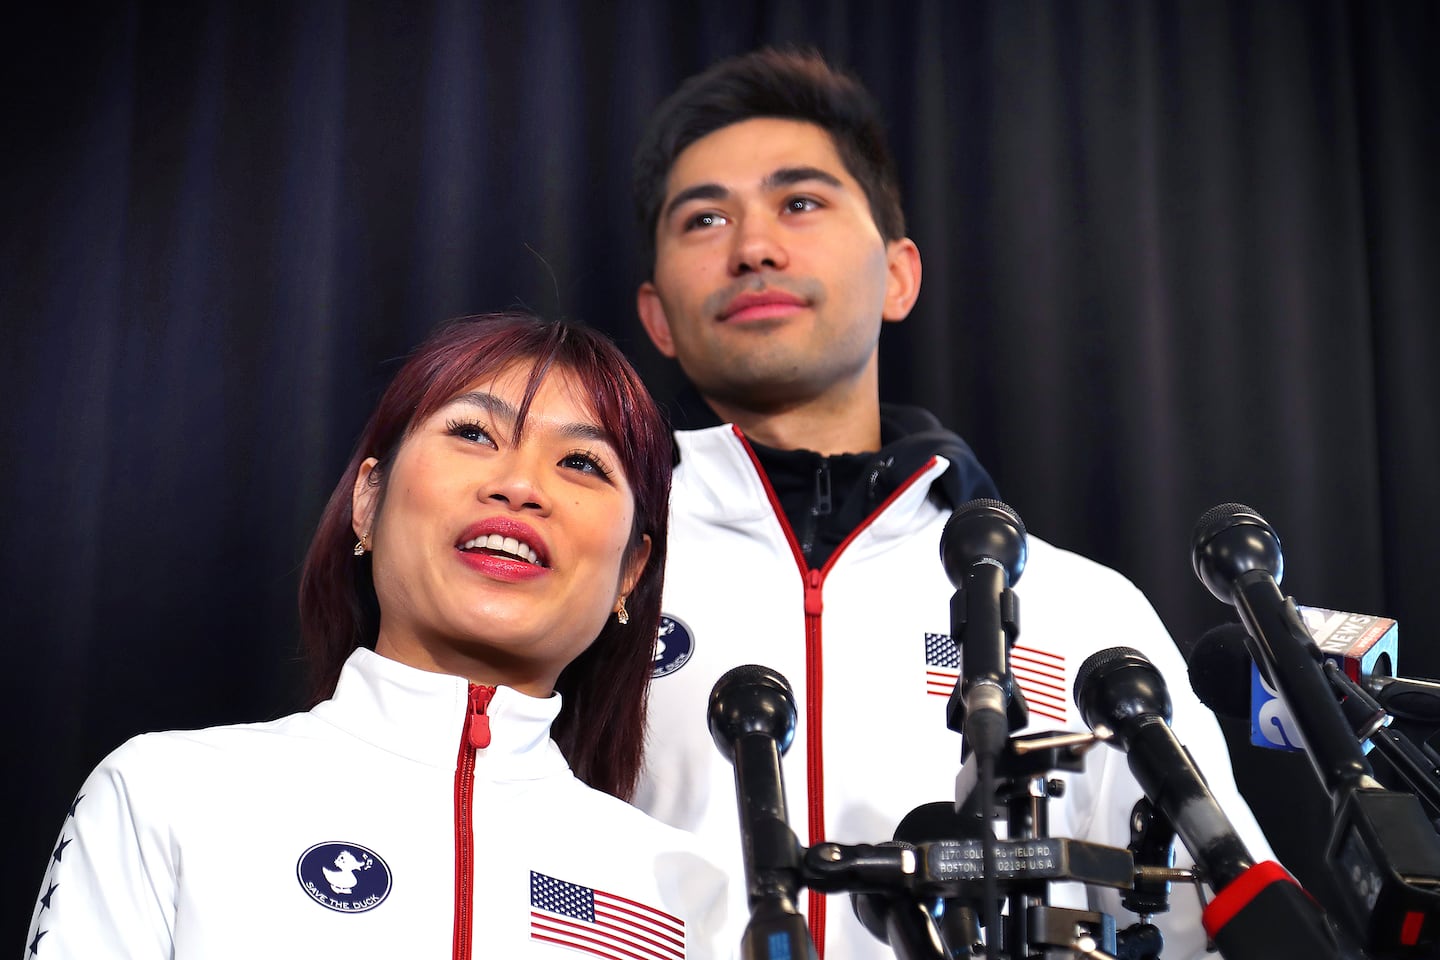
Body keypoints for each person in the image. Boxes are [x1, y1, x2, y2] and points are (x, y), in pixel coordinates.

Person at [629, 49, 1276, 959]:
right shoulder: (590, 562)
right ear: (657, 316)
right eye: (704, 218)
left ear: (899, 275)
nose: (754, 246)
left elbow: (1196, 925)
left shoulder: (1082, 605)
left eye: (801, 202)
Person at [26, 313, 734, 958]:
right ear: (368, 501)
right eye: (473, 434)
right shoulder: (167, 793)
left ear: (631, 574)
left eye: (582, 463)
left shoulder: (684, 894)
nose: (521, 486)